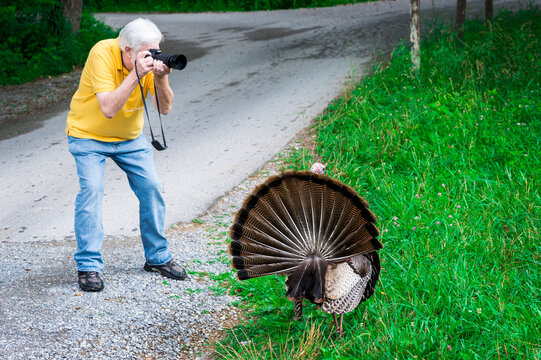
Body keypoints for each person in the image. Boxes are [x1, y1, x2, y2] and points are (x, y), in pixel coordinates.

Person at [66, 18, 187, 292]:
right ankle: (88, 266)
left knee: (152, 188)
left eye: (155, 51)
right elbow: (108, 108)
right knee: (92, 191)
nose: (152, 57)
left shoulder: (146, 64)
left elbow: (164, 109)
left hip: (130, 138)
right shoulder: (102, 53)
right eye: (147, 53)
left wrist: (161, 76)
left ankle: (157, 257)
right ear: (128, 51)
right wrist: (136, 75)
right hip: (88, 136)